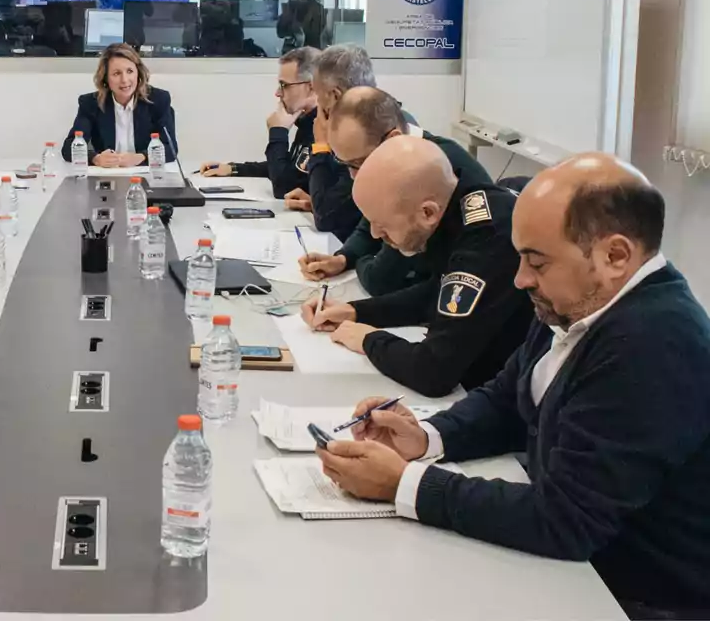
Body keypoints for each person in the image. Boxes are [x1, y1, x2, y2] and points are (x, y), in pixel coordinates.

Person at [318, 154, 710, 620]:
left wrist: (406, 484)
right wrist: (427, 437)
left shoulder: (651, 344)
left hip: (631, 596)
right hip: (580, 569)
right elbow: (510, 398)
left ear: (615, 256)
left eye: (536, 262)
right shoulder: (580, 301)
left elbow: (567, 521)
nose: (521, 278)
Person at [302, 136, 534, 397]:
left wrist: (368, 340)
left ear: (427, 213)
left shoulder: (488, 237)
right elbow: (438, 292)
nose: (376, 235)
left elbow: (433, 371)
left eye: (383, 223)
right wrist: (356, 311)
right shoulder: (455, 207)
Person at [299, 87, 491, 296]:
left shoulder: (427, 172)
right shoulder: (410, 154)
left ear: (392, 139)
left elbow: (380, 279)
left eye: (357, 164)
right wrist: (345, 258)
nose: (353, 176)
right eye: (344, 164)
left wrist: (362, 261)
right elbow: (372, 220)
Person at [197, 46, 321, 200]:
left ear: (311, 87)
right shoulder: (306, 121)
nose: (277, 93)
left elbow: (284, 188)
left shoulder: (323, 127)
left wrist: (278, 132)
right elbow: (287, 166)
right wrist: (233, 168)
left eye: (284, 85)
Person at [285, 43, 378, 237]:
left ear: (335, 96)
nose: (317, 105)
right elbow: (338, 205)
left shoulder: (367, 136)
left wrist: (320, 145)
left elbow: (326, 218)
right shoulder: (363, 122)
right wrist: (316, 202)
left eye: (318, 96)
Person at [61, 42, 177, 166]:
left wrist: (141, 157)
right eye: (116, 73)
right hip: (107, 175)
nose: (125, 80)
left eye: (130, 71)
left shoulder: (158, 100)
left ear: (138, 73)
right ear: (105, 78)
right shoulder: (91, 103)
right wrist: (96, 158)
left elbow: (170, 149)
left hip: (145, 175)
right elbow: (68, 149)